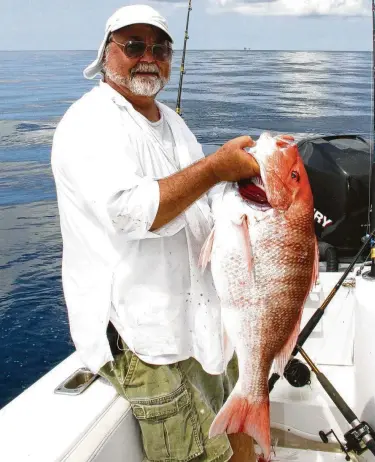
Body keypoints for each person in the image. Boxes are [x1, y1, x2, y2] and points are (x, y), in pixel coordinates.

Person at [51, 4, 260, 462]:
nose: (149, 56)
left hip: (197, 322)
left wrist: (246, 186)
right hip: (143, 340)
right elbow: (132, 213)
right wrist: (214, 168)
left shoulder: (173, 122)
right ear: (107, 53)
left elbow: (202, 204)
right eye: (134, 45)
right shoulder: (89, 123)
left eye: (160, 47)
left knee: (239, 429)